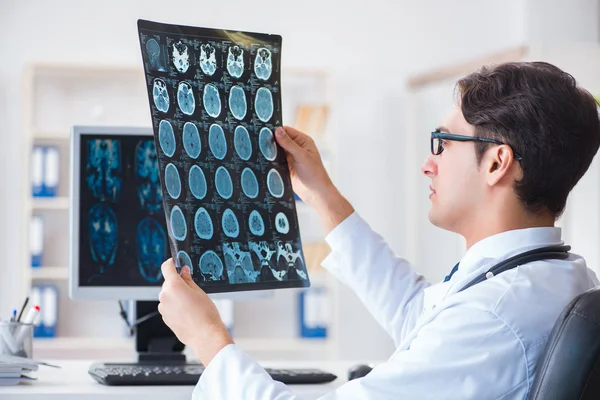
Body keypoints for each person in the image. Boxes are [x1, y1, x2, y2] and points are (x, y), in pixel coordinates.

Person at [157, 61, 600, 399]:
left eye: (443, 144)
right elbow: (419, 317)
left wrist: (208, 340)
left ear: (498, 163)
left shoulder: (494, 316)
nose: (428, 163)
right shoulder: (555, 276)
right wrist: (323, 196)